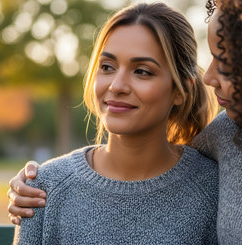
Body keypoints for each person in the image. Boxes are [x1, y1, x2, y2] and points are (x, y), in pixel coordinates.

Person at [9, 0, 242, 243]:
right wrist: (30, 184)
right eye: (106, 66)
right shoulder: (229, 135)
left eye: (226, 62)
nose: (209, 77)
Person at [12, 2, 219, 244]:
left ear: (181, 90)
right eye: (107, 67)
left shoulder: (214, 189)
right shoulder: (42, 188)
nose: (117, 86)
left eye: (142, 71)